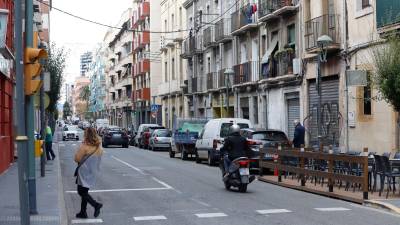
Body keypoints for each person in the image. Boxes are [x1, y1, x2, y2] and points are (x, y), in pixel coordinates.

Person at [74, 127, 103, 219]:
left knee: (81, 191)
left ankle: (96, 205)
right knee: (85, 191)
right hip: (92, 172)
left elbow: (77, 158)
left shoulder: (85, 146)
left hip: (84, 172)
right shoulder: (98, 146)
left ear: (86, 135)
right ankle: (83, 212)